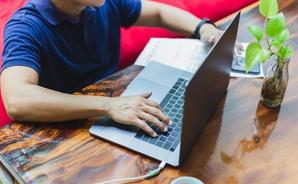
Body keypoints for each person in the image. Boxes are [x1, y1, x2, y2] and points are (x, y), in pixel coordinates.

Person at [0, 0, 239, 137]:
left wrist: (201, 28)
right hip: (67, 130)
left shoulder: (102, 3)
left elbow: (158, 13)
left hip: (121, 105)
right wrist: (108, 106)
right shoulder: (25, 27)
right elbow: (17, 99)